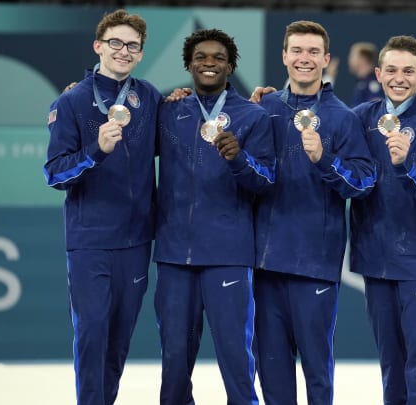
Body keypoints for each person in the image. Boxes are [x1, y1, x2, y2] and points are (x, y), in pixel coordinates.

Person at [252, 20, 377, 405]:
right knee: (271, 372)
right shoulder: (262, 108)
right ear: (284, 56)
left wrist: (325, 159)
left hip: (315, 264)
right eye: (297, 51)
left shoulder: (344, 117)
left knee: (317, 373)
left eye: (313, 52)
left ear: (326, 59)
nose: (304, 59)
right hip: (264, 263)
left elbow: (362, 183)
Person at [42, 9, 162, 405]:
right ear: (98, 46)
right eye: (116, 43)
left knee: (118, 340)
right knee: (92, 334)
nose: (123, 51)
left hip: (137, 241)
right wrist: (96, 151)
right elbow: (55, 173)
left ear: (141, 53)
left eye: (132, 46)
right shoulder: (72, 101)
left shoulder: (150, 97)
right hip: (91, 241)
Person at [153, 28, 275, 405]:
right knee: (174, 358)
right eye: (201, 57)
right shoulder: (170, 110)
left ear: (231, 65)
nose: (209, 63)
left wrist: (239, 159)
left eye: (218, 58)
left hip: (228, 253)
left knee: (236, 357)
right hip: (175, 254)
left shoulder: (252, 116)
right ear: (189, 63)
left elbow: (266, 181)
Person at [349, 35, 416, 404]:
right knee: (391, 363)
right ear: (378, 73)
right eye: (392, 70)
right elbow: (322, 125)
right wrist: (270, 97)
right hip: (375, 258)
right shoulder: (361, 118)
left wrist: (405, 164)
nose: (400, 77)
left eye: (408, 71)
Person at [347, 41, 385, 107]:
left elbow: (376, 109)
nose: (350, 60)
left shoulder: (373, 83)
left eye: (352, 57)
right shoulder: (362, 83)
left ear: (362, 59)